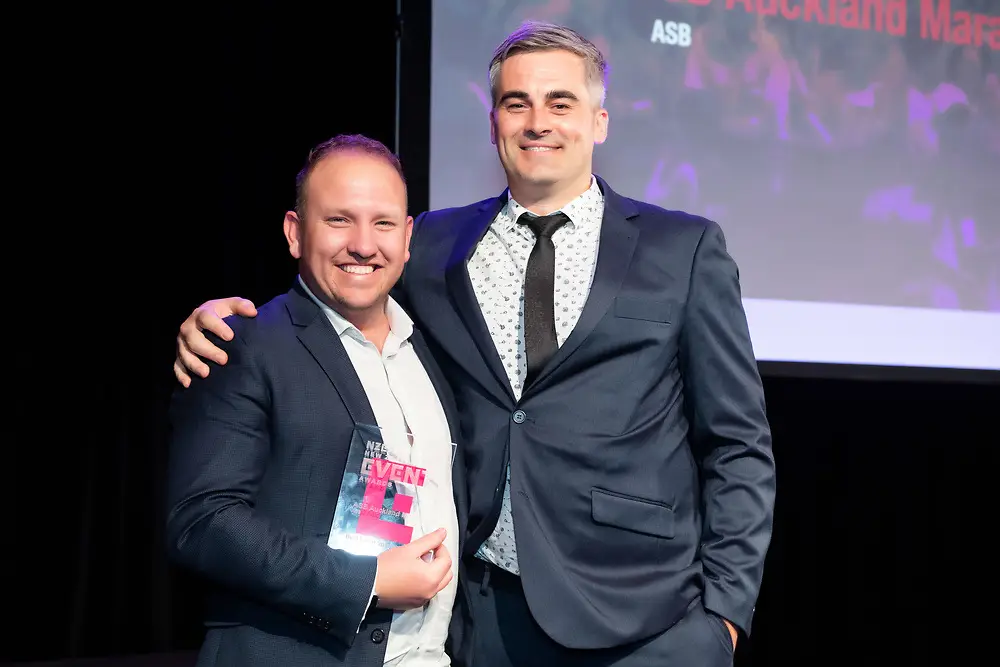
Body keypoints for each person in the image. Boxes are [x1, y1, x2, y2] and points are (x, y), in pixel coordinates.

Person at [174, 22, 775, 667]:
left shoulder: (683, 250)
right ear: (493, 125)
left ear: (599, 121)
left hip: (644, 618)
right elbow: (337, 297)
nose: (537, 121)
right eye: (517, 103)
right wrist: (221, 319)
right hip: (478, 617)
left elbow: (737, 442)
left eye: (560, 103)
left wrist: (723, 617)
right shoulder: (431, 245)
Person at [166, 134, 465, 667]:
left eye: (383, 223)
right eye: (339, 220)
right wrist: (367, 582)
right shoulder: (242, 343)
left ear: (408, 235)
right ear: (294, 233)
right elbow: (202, 523)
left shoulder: (432, 349)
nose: (364, 244)